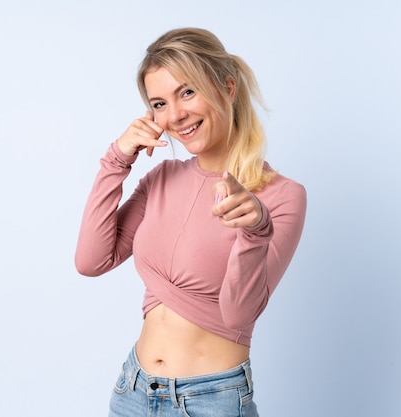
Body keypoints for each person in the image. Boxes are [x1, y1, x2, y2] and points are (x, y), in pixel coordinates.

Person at [75, 27, 306, 417]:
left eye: (187, 92)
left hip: (211, 401)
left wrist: (255, 231)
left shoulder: (281, 196)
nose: (176, 115)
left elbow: (238, 315)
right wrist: (117, 160)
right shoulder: (161, 179)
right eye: (159, 103)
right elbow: (91, 261)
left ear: (227, 88)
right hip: (133, 389)